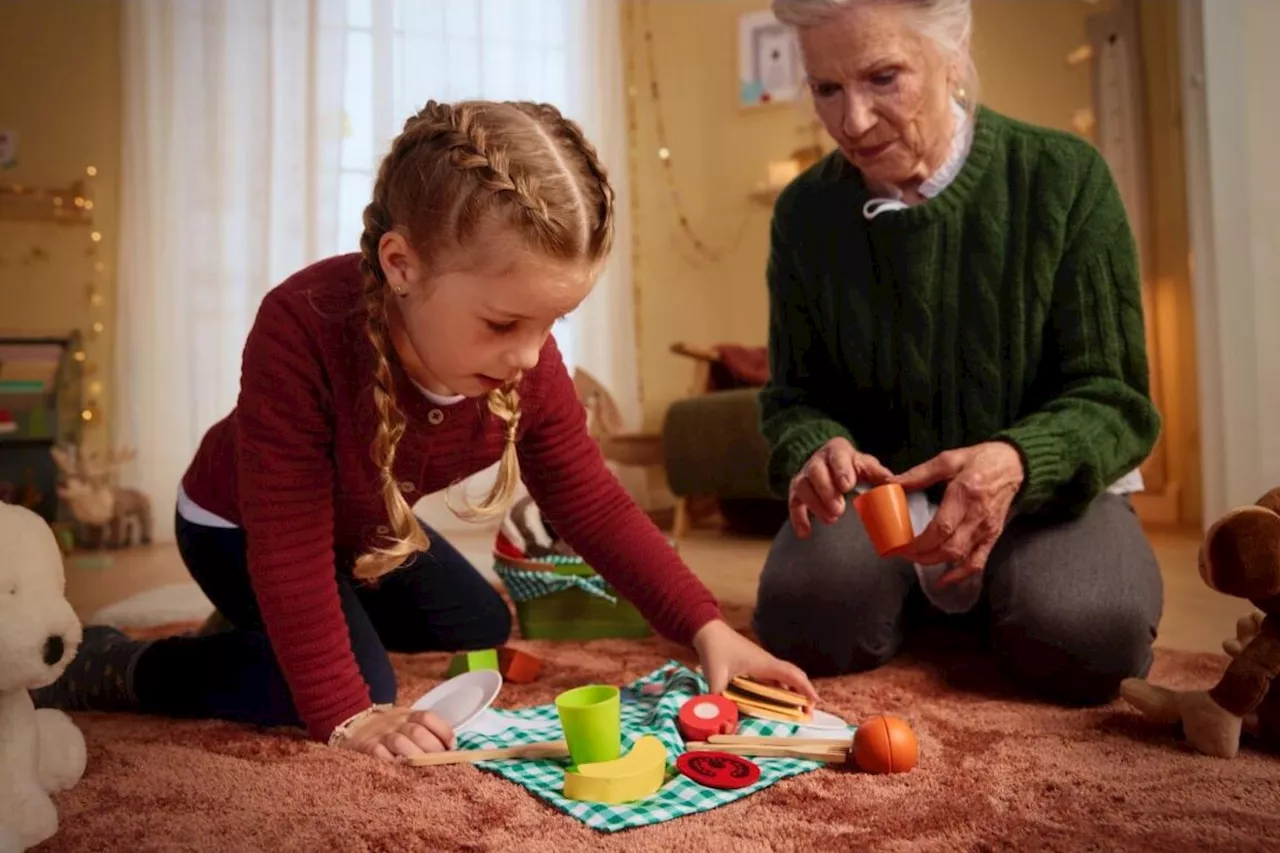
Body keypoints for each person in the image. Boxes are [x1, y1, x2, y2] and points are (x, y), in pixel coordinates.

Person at [34, 99, 815, 762]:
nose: (532, 355)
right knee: (356, 686)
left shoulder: (523, 358)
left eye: (554, 322)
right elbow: (289, 540)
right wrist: (347, 713)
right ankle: (129, 663)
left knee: (477, 621)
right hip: (241, 524)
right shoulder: (300, 325)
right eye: (505, 321)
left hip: (368, 532)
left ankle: (267, 623)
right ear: (401, 264)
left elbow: (594, 504)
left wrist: (705, 625)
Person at [751, 0, 1164, 706]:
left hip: (1039, 491)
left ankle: (991, 593)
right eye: (827, 88)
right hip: (880, 499)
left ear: (954, 50)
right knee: (804, 621)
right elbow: (793, 398)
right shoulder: (805, 214)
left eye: (884, 78)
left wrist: (1019, 460)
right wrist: (815, 445)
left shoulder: (1065, 177)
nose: (851, 122)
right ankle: (929, 598)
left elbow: (1115, 399)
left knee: (1089, 637)